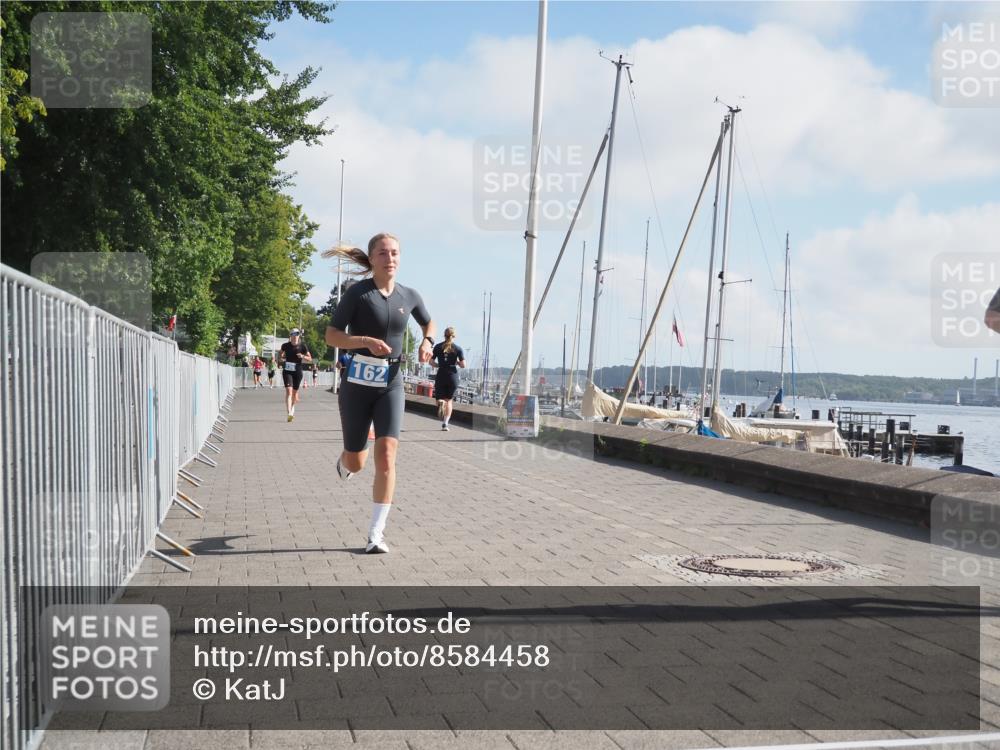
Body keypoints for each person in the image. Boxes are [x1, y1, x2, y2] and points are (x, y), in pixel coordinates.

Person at [324, 233, 434, 554]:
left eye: (395, 253)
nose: (390, 258)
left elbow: (429, 323)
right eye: (383, 253)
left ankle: (376, 533)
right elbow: (331, 335)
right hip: (357, 385)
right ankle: (345, 461)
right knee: (357, 463)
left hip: (391, 382)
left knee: (386, 455)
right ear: (372, 259)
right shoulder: (357, 294)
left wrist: (427, 342)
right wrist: (365, 342)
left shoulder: (409, 295)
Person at [431, 327, 465, 431]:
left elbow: (431, 362)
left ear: (444, 335)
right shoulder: (458, 348)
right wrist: (456, 363)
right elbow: (463, 365)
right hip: (452, 376)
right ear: (453, 336)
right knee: (449, 401)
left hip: (441, 374)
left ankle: (441, 402)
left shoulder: (437, 347)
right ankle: (445, 424)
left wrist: (439, 365)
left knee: (440, 399)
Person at [278, 329, 313, 422]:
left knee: (294, 393)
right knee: (289, 391)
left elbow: (310, 359)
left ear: (299, 336)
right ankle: (289, 413)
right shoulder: (285, 345)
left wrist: (303, 356)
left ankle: (292, 408)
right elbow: (280, 354)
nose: (295, 336)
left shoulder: (302, 346)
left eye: (297, 334)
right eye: (293, 334)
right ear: (290, 336)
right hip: (287, 370)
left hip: (297, 370)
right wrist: (281, 358)